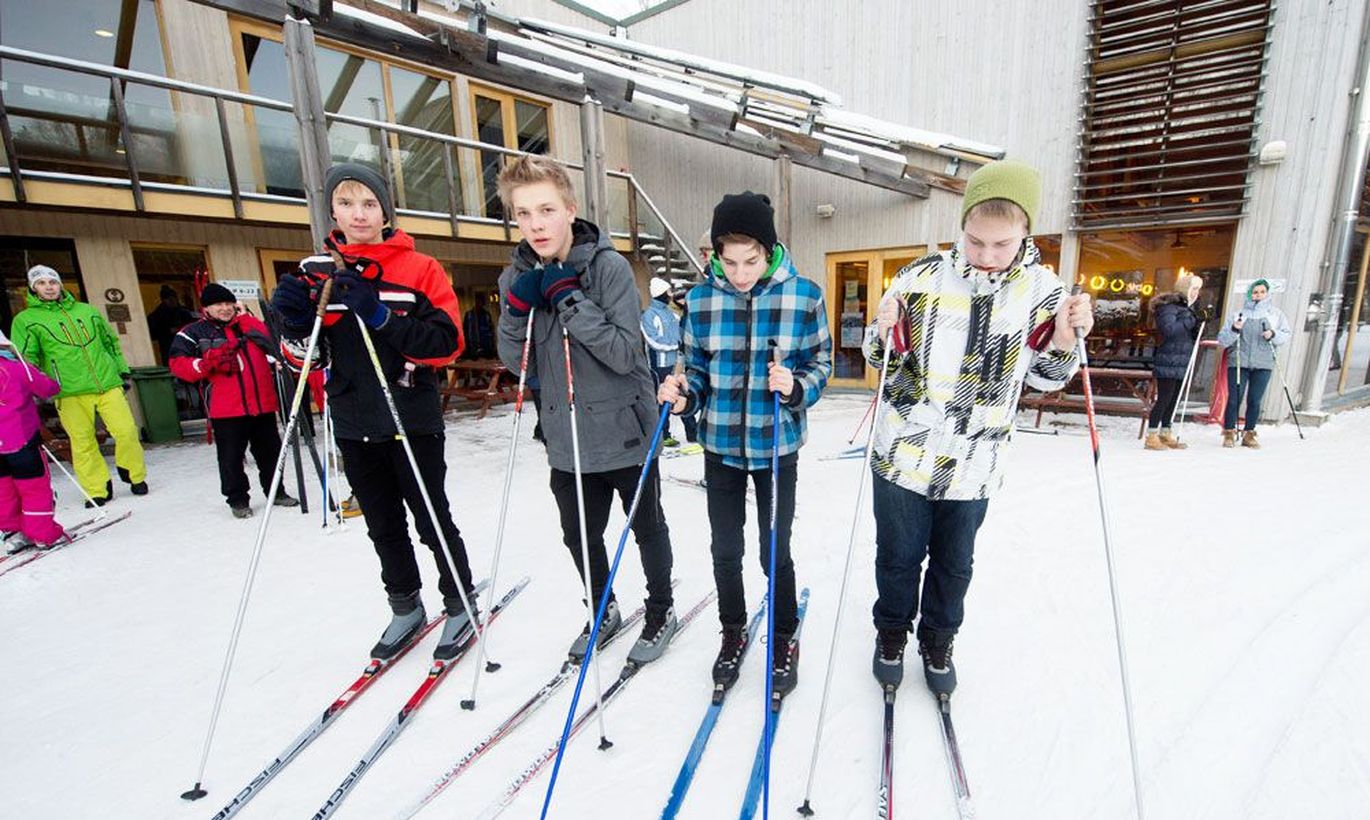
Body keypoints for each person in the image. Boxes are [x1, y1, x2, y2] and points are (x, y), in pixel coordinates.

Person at [863, 160, 1093, 695]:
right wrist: (883, 328)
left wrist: (1062, 340)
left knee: (954, 563)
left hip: (974, 464)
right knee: (897, 557)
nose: (987, 256)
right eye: (975, 242)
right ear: (961, 228)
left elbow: (1050, 379)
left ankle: (938, 639)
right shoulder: (918, 278)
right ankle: (892, 631)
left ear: (1025, 234)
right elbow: (881, 360)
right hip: (904, 452)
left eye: (1002, 245)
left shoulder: (1045, 292)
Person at [271, 162, 478, 661]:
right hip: (353, 419)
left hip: (411, 418)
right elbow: (304, 362)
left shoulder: (419, 269)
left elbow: (446, 345)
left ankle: (459, 600)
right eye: (346, 203)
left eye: (369, 204)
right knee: (382, 523)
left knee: (431, 519)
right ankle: (405, 604)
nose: (358, 214)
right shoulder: (317, 271)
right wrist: (294, 321)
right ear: (333, 212)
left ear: (386, 211)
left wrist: (380, 314)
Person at [495, 155, 678, 665]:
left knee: (646, 528)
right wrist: (515, 309)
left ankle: (661, 608)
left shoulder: (610, 268)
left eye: (546, 210)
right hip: (565, 436)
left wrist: (570, 299)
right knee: (579, 535)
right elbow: (518, 363)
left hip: (624, 431)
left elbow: (624, 353)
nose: (535, 224)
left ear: (570, 210)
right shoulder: (517, 277)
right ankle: (602, 607)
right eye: (524, 213)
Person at [657, 191, 832, 698]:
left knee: (772, 549)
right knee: (725, 548)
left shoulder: (805, 296)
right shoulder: (699, 300)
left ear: (769, 249)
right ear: (714, 254)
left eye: (750, 261)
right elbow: (696, 376)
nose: (739, 273)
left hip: (777, 443)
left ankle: (782, 635)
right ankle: (732, 631)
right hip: (721, 448)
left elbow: (820, 363)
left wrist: (797, 387)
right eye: (727, 261)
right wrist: (682, 396)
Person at [10, 265, 148, 506]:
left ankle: (133, 473)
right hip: (68, 390)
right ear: (33, 289)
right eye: (41, 283)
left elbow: (111, 343)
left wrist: (122, 371)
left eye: (52, 282)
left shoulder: (88, 311)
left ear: (60, 284)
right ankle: (97, 488)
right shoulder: (26, 320)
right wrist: (34, 386)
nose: (49, 287)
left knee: (126, 431)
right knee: (83, 441)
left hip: (106, 383)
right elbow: (26, 358)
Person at [168, 283, 299, 518]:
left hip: (262, 404)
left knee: (271, 454)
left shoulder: (247, 326)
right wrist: (206, 364)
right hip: (226, 409)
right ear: (206, 307)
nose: (226, 309)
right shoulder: (193, 332)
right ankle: (237, 500)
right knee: (231, 458)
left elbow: (273, 343)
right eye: (219, 304)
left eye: (229, 304)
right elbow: (178, 365)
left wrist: (246, 318)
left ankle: (276, 492)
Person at [0, 328, 66, 553]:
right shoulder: (18, 369)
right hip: (21, 441)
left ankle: (13, 534)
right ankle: (42, 534)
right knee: (34, 489)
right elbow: (48, 389)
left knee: (3, 491)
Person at [1216, 278, 1291, 448]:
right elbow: (1223, 340)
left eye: (1262, 292)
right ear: (1250, 294)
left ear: (1267, 293)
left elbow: (1285, 335)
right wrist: (1235, 330)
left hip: (1263, 363)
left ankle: (1249, 433)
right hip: (1239, 361)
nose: (1258, 295)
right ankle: (1229, 431)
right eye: (1255, 292)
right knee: (1235, 398)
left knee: (1255, 399)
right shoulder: (1238, 314)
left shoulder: (1275, 314)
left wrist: (1273, 334)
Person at [1145, 274, 1205, 450]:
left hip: (1182, 359)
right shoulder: (1168, 307)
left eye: (1198, 289)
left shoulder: (1188, 309)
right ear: (1184, 288)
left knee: (1174, 399)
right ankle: (1152, 435)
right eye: (1193, 288)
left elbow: (1189, 334)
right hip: (1168, 359)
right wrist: (1192, 319)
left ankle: (1165, 431)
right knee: (1164, 398)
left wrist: (1200, 322)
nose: (1196, 293)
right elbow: (1169, 330)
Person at [641, 276, 684, 447]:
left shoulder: (671, 314)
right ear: (659, 293)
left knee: (681, 396)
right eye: (667, 292)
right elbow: (653, 340)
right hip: (660, 365)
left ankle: (692, 431)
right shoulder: (649, 315)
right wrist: (674, 346)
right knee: (662, 400)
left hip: (676, 364)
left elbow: (682, 333)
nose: (670, 295)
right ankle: (662, 434)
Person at [146, 284, 196, 363]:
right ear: (164, 300)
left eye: (173, 298)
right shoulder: (157, 315)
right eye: (168, 299)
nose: (172, 301)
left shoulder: (184, 312)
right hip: (168, 347)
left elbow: (193, 325)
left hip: (187, 346)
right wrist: (168, 331)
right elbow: (152, 333)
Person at [462, 295, 497, 359]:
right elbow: (465, 330)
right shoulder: (469, 315)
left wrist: (492, 345)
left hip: (486, 345)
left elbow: (491, 330)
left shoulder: (486, 315)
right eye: (477, 302)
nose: (479, 303)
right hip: (473, 345)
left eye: (481, 302)